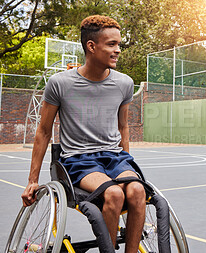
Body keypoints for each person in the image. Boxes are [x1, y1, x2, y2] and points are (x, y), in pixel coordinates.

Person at [21, 15, 146, 252]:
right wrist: (32, 181)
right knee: (114, 194)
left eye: (119, 44)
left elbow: (123, 127)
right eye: (112, 44)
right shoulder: (60, 83)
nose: (118, 50)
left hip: (114, 157)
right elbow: (44, 131)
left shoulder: (124, 83)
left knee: (137, 190)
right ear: (91, 46)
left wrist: (126, 162)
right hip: (78, 159)